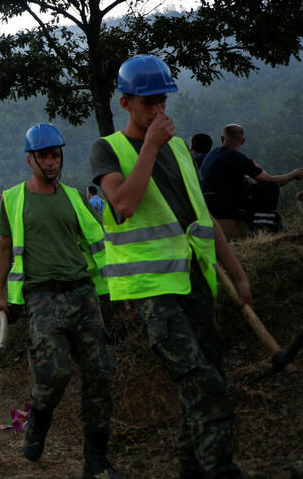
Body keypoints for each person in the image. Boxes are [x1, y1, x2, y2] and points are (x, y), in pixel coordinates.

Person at [90, 54, 252, 479]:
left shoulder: (179, 148)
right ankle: (223, 469)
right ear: (126, 103)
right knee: (203, 383)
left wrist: (237, 273)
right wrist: (150, 147)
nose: (159, 110)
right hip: (153, 289)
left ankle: (191, 469)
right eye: (148, 103)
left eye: (162, 100)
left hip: (196, 279)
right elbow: (123, 205)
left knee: (205, 379)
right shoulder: (107, 149)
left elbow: (203, 216)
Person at [0, 124, 119, 478]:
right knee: (54, 373)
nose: (51, 162)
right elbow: (3, 248)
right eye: (44, 156)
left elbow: (98, 241)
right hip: (42, 297)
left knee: (100, 374)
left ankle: (96, 459)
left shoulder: (75, 197)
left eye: (56, 155)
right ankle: (36, 423)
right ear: (30, 158)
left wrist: (118, 288)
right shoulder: (13, 198)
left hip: (83, 293)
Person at [200, 124, 303, 235]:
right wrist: (293, 175)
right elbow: (272, 181)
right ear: (243, 141)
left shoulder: (211, 155)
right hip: (224, 207)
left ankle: (266, 223)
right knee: (269, 188)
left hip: (207, 204)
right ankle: (264, 228)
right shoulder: (239, 158)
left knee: (250, 186)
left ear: (222, 138)